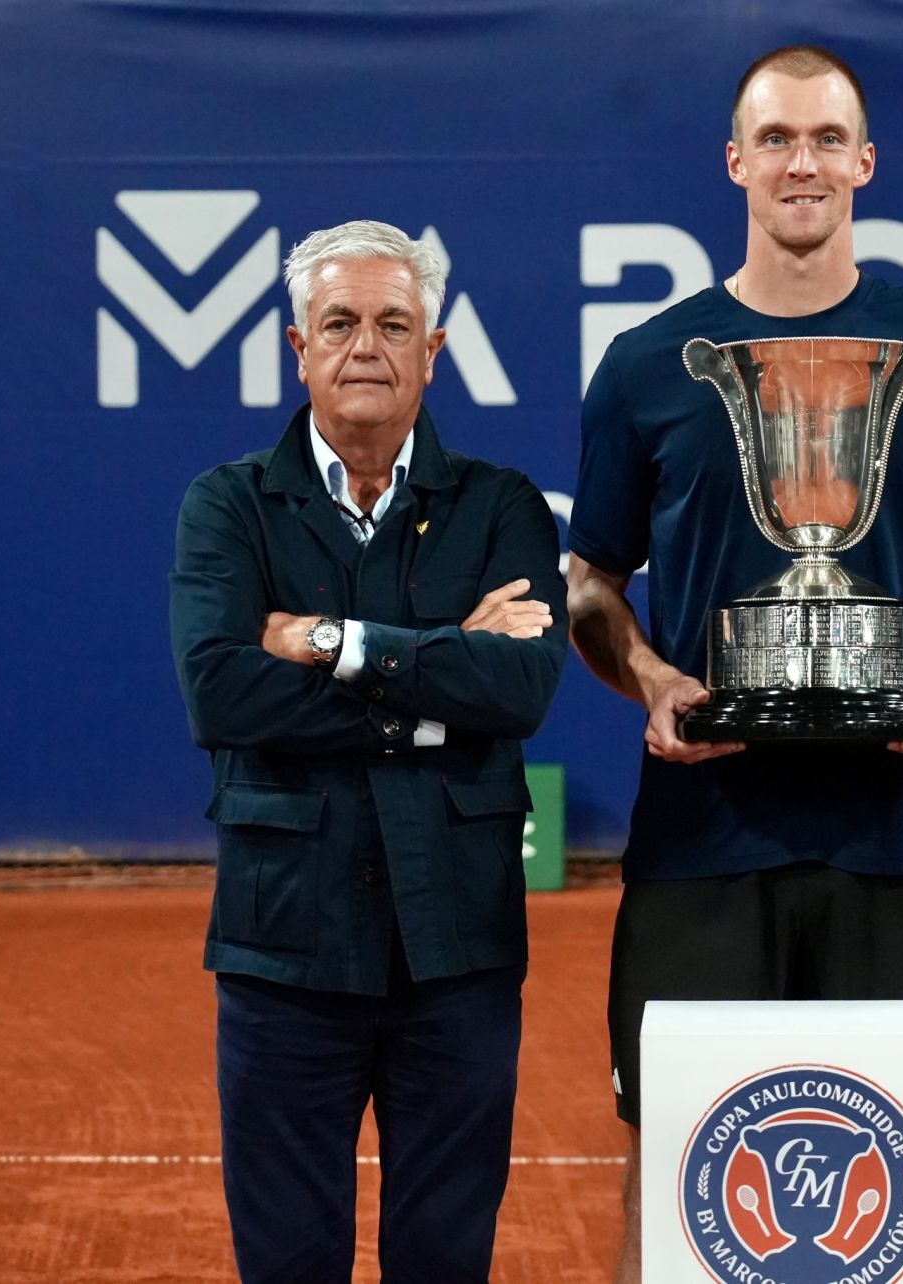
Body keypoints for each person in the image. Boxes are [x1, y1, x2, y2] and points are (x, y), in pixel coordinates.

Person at [565, 44, 903, 1281]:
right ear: (735, 163)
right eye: (776, 139)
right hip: (703, 840)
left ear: (867, 163)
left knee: (899, 1171)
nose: (803, 161)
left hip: (898, 839)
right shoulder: (646, 365)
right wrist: (656, 682)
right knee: (678, 1163)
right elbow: (590, 587)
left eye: (827, 138)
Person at [168, 219, 565, 1283]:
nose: (366, 346)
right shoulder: (227, 507)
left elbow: (520, 686)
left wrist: (329, 643)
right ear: (299, 348)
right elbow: (221, 691)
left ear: (434, 351)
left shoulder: (505, 507)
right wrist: (436, 690)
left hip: (460, 953)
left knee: (445, 1257)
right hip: (285, 947)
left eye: (395, 324)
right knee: (289, 1259)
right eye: (338, 322)